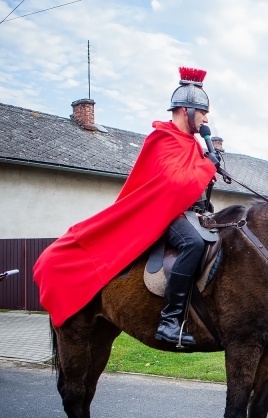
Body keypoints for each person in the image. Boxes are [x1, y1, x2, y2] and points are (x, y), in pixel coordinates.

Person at [33, 67, 219, 347]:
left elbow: (191, 183)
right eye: (202, 112)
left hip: (184, 210)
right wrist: (207, 166)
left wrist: (208, 162)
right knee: (192, 243)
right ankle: (169, 321)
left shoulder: (190, 144)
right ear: (184, 110)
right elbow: (174, 182)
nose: (206, 118)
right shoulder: (163, 139)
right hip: (160, 214)